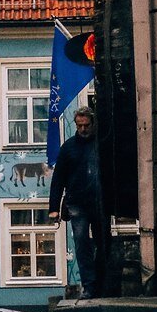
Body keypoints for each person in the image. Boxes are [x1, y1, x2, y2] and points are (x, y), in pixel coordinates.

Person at [48, 106, 106, 299]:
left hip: (99, 202)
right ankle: (89, 286)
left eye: (86, 125)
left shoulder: (101, 143)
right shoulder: (69, 147)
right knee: (81, 244)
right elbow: (58, 179)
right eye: (79, 125)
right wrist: (53, 209)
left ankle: (102, 284)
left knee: (103, 242)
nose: (83, 129)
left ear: (93, 123)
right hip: (77, 203)